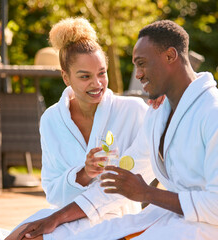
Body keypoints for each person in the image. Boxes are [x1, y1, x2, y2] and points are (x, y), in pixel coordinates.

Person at [56, 20, 218, 240]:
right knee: (67, 235)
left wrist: (147, 193)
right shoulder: (158, 113)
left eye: (142, 64)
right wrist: (56, 218)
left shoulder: (212, 112)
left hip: (203, 229)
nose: (138, 74)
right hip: (164, 219)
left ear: (170, 56)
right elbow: (122, 176)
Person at [4, 17, 159, 240]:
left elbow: (158, 153)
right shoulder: (52, 120)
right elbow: (53, 191)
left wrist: (164, 105)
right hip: (67, 214)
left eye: (102, 73)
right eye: (85, 76)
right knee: (18, 235)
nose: (97, 84)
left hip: (115, 217)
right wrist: (83, 174)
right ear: (66, 77)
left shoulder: (133, 111)